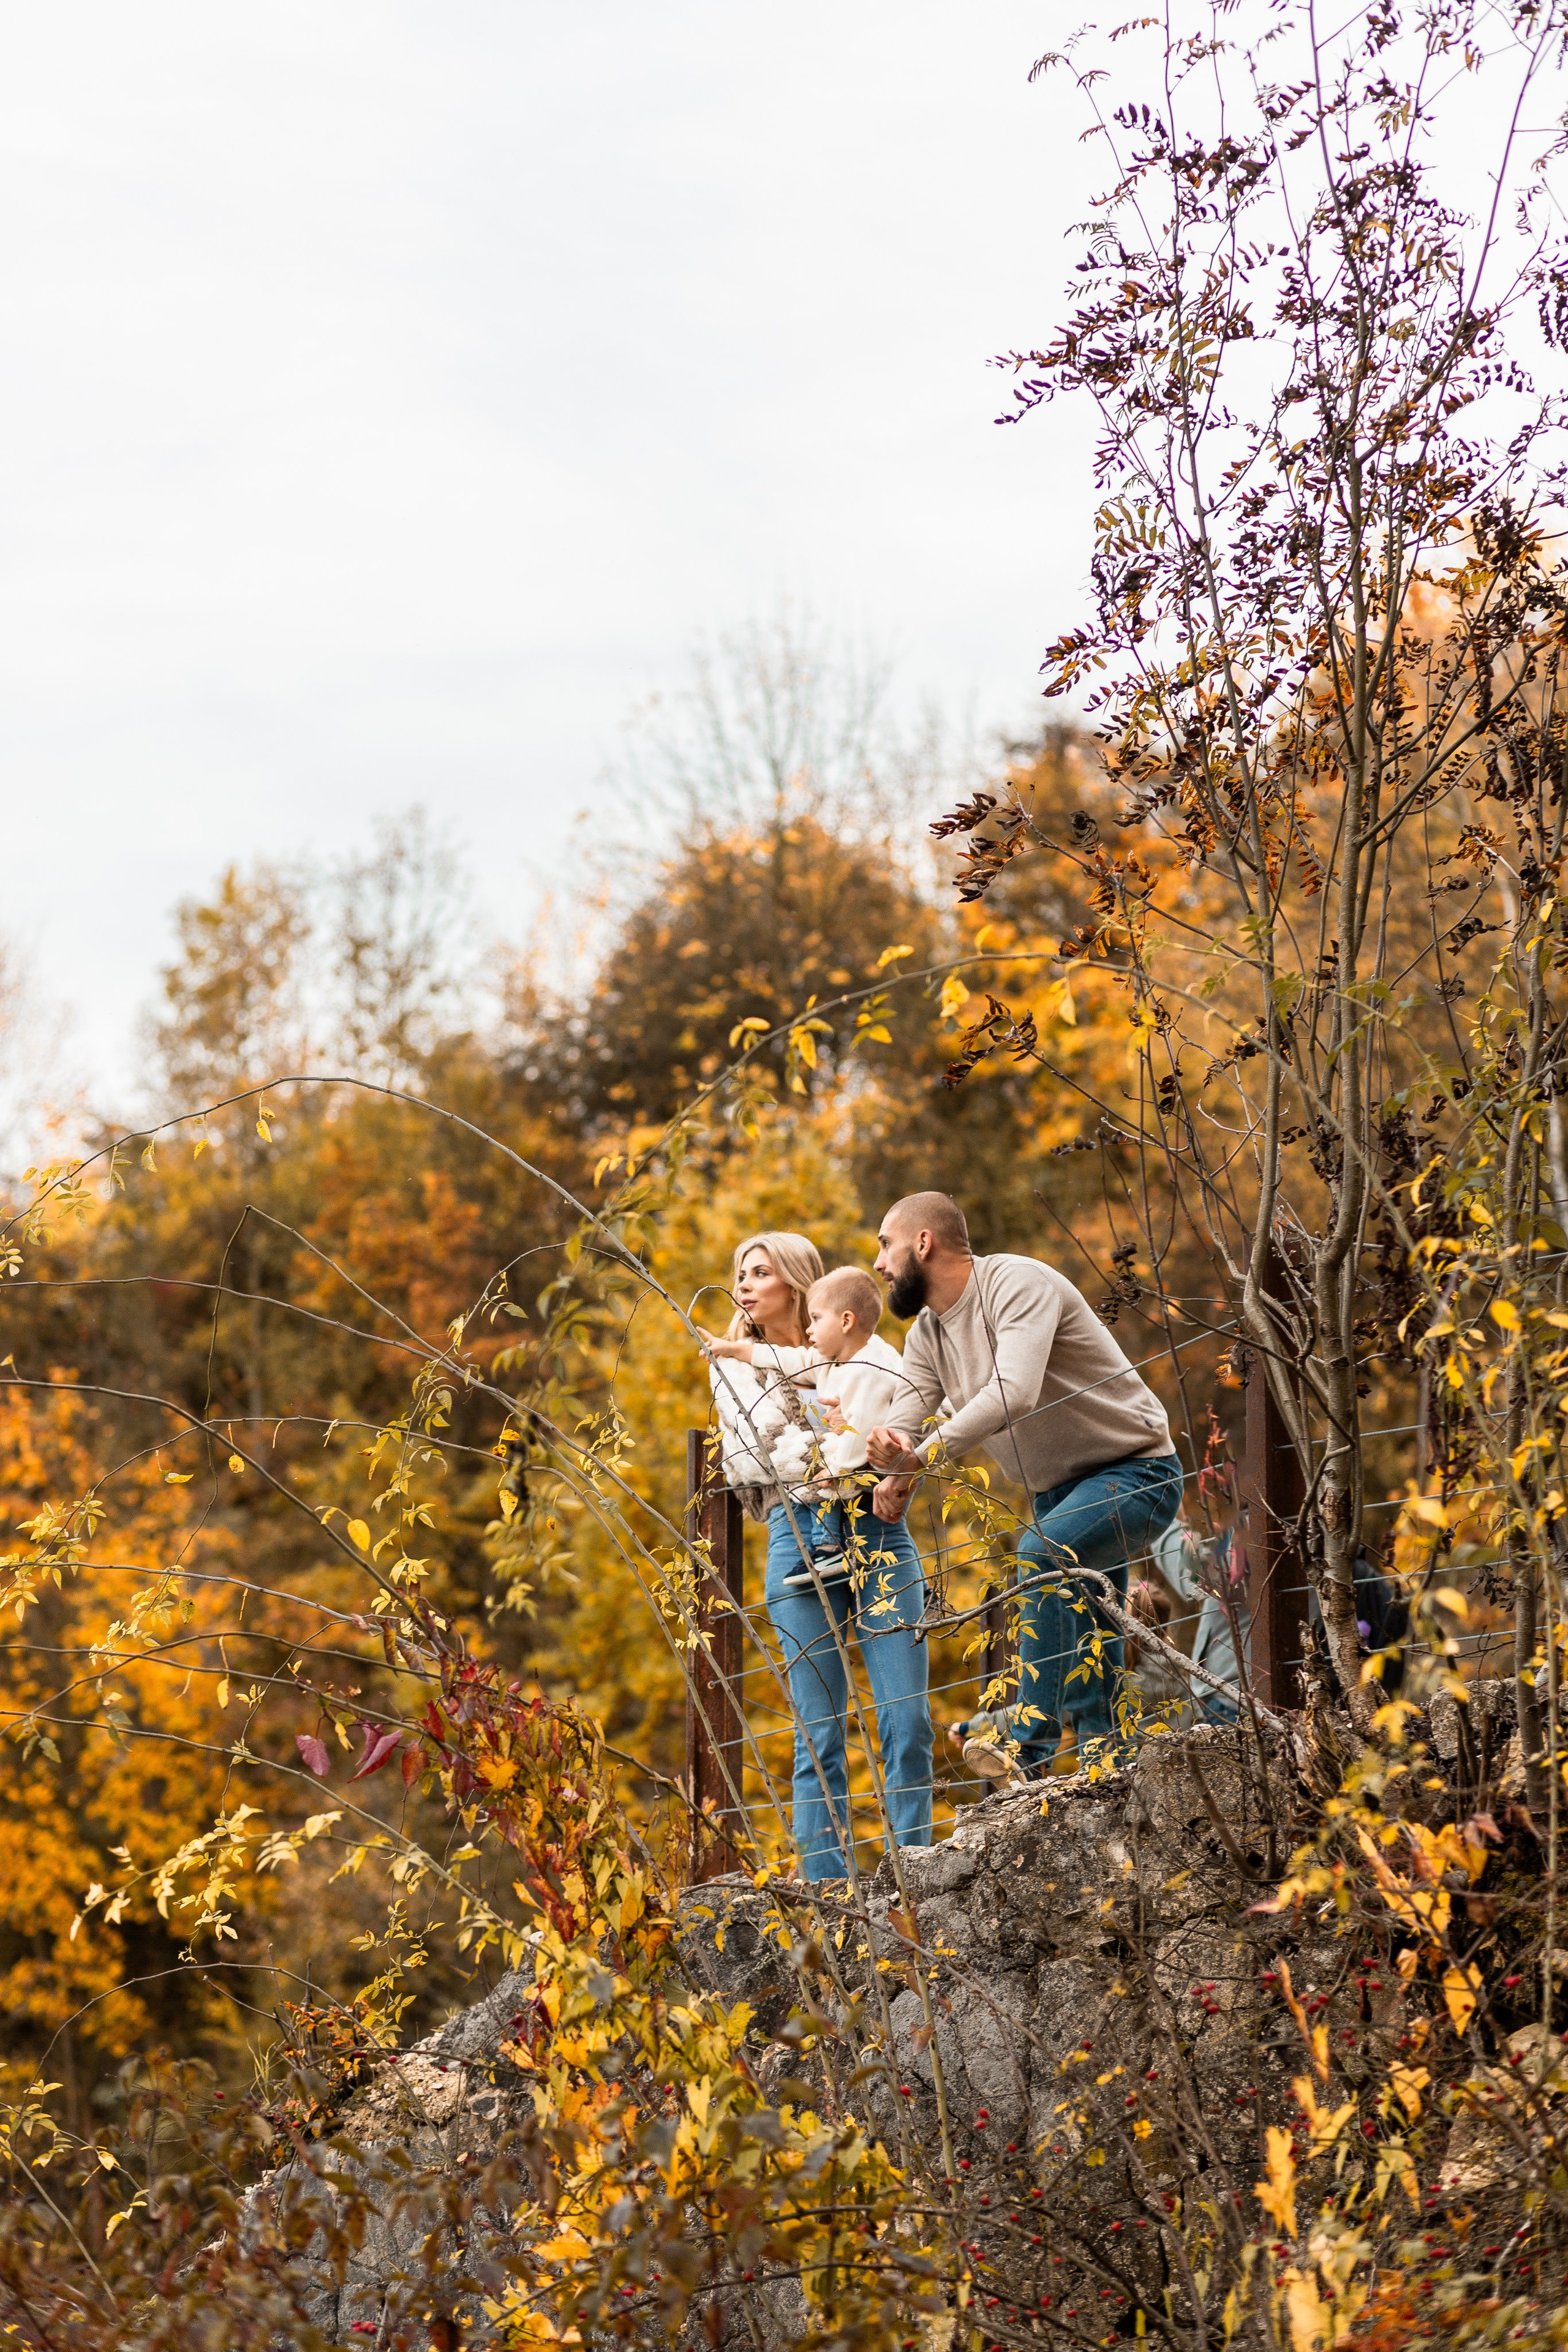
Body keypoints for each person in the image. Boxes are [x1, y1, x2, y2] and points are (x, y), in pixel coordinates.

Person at [865, 1191, 1183, 1778]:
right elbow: (905, 1428)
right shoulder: (928, 1336)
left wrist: (920, 1458)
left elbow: (1015, 1390)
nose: (880, 1264)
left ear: (923, 1243)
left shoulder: (1016, 1283)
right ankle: (1106, 1777)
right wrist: (889, 1457)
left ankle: (1026, 1742)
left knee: (1040, 1553)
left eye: (886, 1245)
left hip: (1139, 1473)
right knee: (1096, 1648)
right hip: (1059, 1495)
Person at [700, 1233, 933, 1880]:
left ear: (796, 1282)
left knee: (906, 1721)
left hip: (878, 1531)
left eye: (760, 1272)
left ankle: (916, 1878)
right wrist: (831, 1444)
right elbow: (752, 1454)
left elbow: (908, 1419)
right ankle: (830, 1894)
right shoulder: (733, 1365)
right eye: (739, 1273)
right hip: (796, 1534)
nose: (744, 1285)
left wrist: (894, 1460)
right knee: (818, 1734)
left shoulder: (855, 1347)